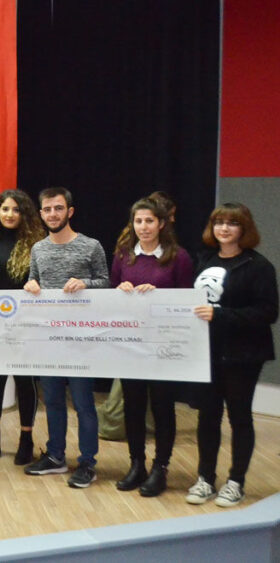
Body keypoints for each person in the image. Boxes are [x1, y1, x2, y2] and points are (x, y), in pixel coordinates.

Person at [186, 202, 278, 507]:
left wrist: (220, 315)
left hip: (243, 355)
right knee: (207, 417)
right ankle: (205, 479)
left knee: (239, 417)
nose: (224, 228)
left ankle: (236, 482)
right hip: (207, 352)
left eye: (232, 223)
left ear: (244, 228)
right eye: (219, 222)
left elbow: (268, 312)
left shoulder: (259, 266)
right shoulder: (204, 259)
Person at [22, 187, 109, 488]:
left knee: (84, 403)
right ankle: (56, 456)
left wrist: (85, 283)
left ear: (70, 211)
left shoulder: (91, 246)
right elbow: (33, 281)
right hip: (49, 339)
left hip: (81, 338)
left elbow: (106, 283)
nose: (52, 214)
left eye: (58, 208)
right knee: (53, 401)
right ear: (41, 213)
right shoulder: (38, 248)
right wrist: (30, 286)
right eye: (47, 209)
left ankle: (87, 463)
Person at [110, 198, 193, 497]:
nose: (143, 227)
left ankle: (161, 467)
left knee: (162, 407)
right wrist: (119, 290)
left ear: (161, 224)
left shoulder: (178, 257)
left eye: (149, 221)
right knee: (132, 406)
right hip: (131, 345)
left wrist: (160, 295)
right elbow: (110, 294)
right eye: (138, 221)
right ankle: (137, 464)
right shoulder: (123, 255)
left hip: (162, 346)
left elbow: (187, 301)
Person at [0, 190, 44, 464]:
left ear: (24, 213)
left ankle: (26, 438)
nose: (9, 214)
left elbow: (43, 283)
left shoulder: (37, 244)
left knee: (25, 380)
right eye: (5, 209)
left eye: (16, 210)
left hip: (27, 323)